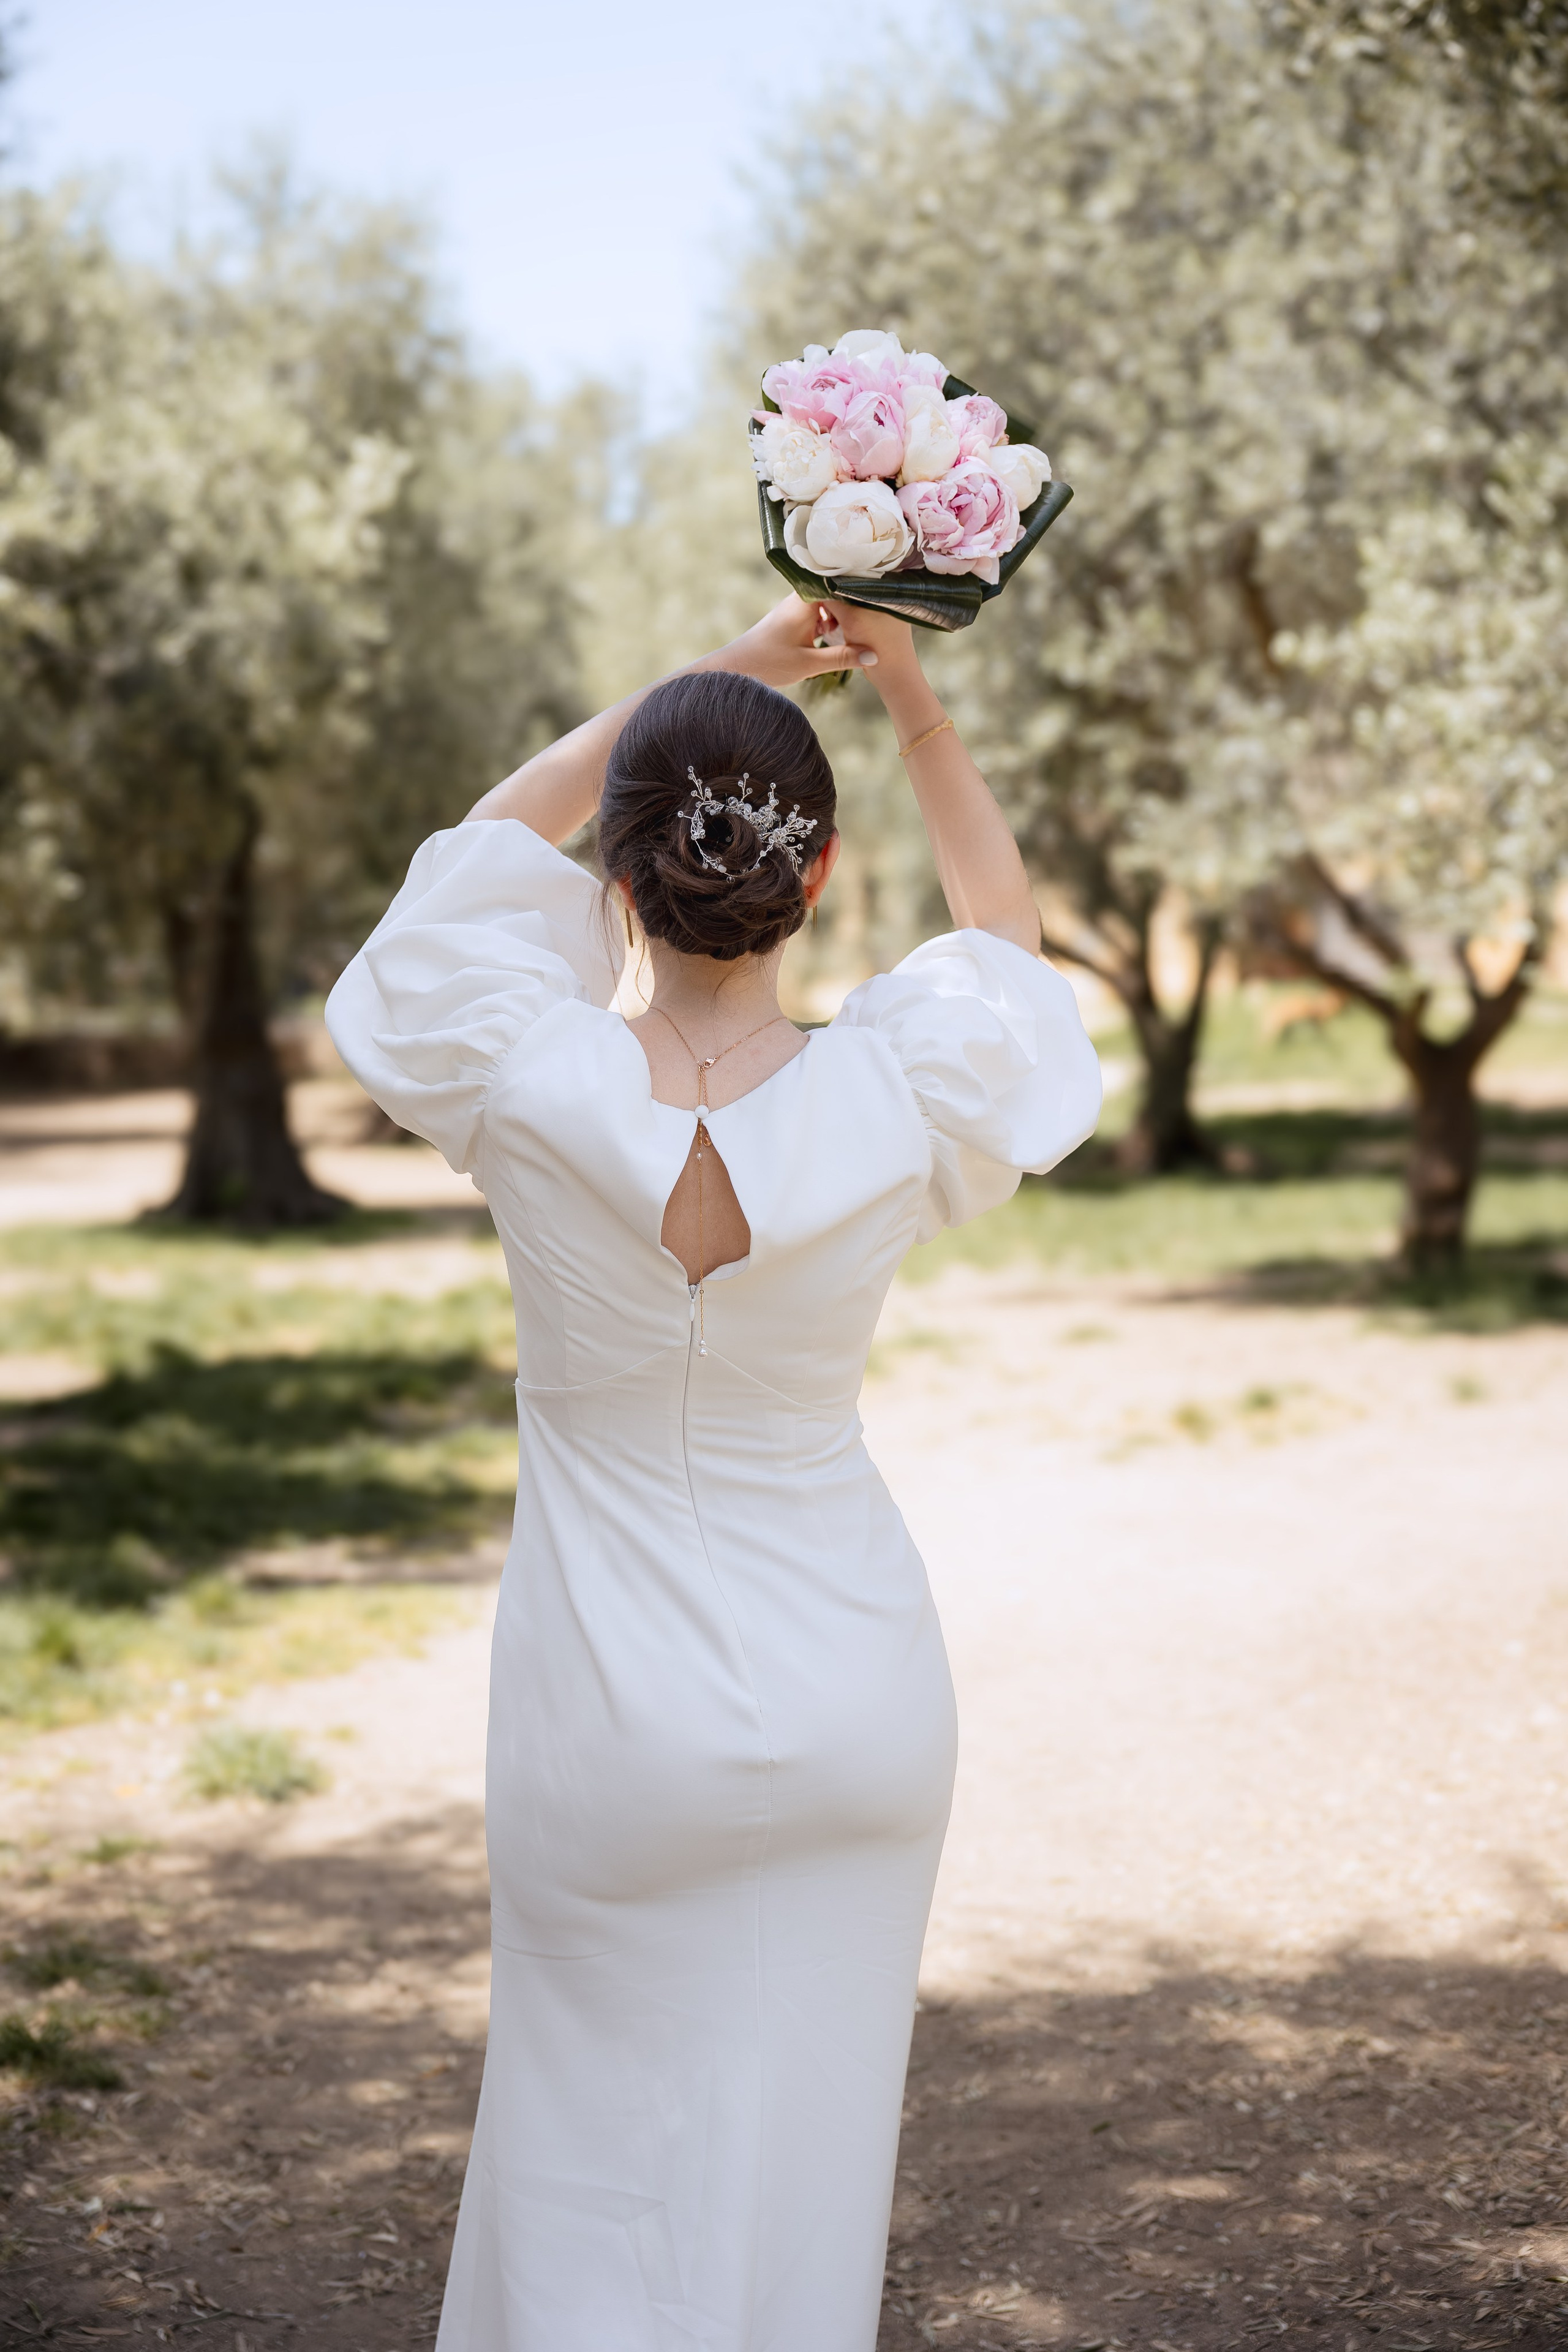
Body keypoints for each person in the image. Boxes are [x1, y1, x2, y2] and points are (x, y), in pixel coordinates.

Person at [325, 593, 1102, 2352]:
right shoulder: (906, 1088)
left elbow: (468, 860)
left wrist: (723, 673)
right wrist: (905, 698)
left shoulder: (521, 1074)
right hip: (858, 1694)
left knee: (585, 2151)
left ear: (617, 876)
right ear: (813, 882)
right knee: (803, 2172)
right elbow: (1010, 938)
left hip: (606, 1714)